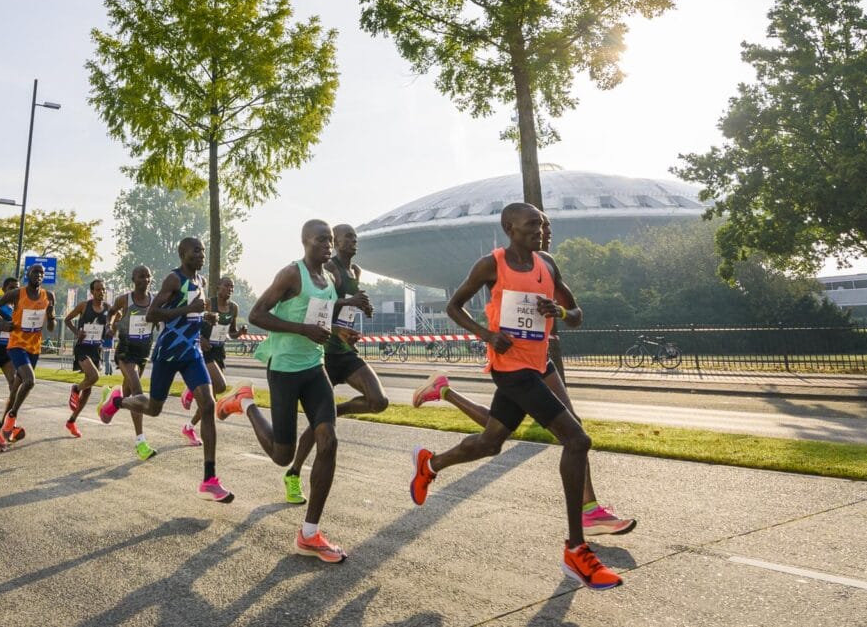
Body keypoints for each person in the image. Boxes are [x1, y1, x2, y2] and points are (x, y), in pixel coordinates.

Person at [408, 202, 623, 590]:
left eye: (540, 225)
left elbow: (577, 315)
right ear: (509, 228)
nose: (538, 231)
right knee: (577, 440)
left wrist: (557, 309)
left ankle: (430, 464)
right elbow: (453, 307)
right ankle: (576, 550)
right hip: (511, 369)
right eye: (530, 226)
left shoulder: (548, 265)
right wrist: (488, 335)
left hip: (541, 365)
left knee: (491, 443)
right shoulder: (491, 265)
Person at [217, 219, 366, 561]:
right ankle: (246, 404)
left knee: (328, 441)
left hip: (314, 370)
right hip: (284, 369)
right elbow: (257, 314)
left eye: (330, 240)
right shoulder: (291, 274)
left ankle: (309, 534)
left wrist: (340, 334)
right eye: (320, 240)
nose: (327, 245)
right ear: (305, 242)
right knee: (282, 456)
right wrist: (302, 329)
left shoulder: (329, 279)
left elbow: (322, 322)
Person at [99, 238, 232, 502]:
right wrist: (189, 309)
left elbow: (191, 314)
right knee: (154, 408)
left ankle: (209, 479)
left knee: (207, 405)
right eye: (196, 251)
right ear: (183, 254)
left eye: (204, 251)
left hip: (192, 353)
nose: (202, 254)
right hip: (169, 352)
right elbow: (152, 314)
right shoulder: (174, 279)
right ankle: (118, 401)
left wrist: (204, 316)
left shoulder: (201, 282)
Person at [279, 224, 384, 505]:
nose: (354, 241)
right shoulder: (331, 271)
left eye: (355, 237)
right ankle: (294, 472)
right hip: (323, 349)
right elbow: (321, 307)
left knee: (379, 401)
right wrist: (345, 311)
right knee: (319, 426)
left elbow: (344, 306)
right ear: (336, 242)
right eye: (348, 237)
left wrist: (360, 308)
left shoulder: (355, 271)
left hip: (344, 350)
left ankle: (339, 409)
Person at [0, 264, 55, 451]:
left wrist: (52, 316)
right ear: (28, 274)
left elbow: (51, 328)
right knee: (29, 381)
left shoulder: (49, 296)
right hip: (16, 345)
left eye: (41, 273)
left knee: (14, 391)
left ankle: (0, 428)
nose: (38, 275)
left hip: (34, 347)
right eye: (35, 272)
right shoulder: (16, 294)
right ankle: (11, 420)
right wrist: (2, 323)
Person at [102, 265, 158, 461]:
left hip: (143, 353)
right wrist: (110, 328)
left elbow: (159, 320)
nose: (145, 280)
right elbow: (111, 313)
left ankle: (112, 399)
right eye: (141, 276)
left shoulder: (154, 300)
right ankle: (141, 442)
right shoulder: (124, 299)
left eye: (148, 276)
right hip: (125, 352)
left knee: (127, 394)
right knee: (138, 392)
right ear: (133, 279)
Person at [179, 276, 241, 448]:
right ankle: (191, 388)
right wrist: (200, 338)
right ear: (218, 287)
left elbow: (231, 332)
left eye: (232, 287)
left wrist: (240, 333)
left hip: (219, 351)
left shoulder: (234, 308)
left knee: (209, 402)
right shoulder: (208, 303)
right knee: (220, 385)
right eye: (226, 286)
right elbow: (190, 324)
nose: (229, 289)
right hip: (204, 350)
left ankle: (189, 427)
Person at [63, 278, 111, 438]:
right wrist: (77, 333)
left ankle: (71, 421)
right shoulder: (84, 306)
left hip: (96, 349)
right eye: (98, 289)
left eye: (103, 289)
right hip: (82, 348)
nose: (101, 292)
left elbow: (114, 324)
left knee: (88, 390)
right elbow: (67, 320)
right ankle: (75, 389)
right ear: (92, 292)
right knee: (94, 376)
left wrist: (111, 331)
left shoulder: (108, 308)